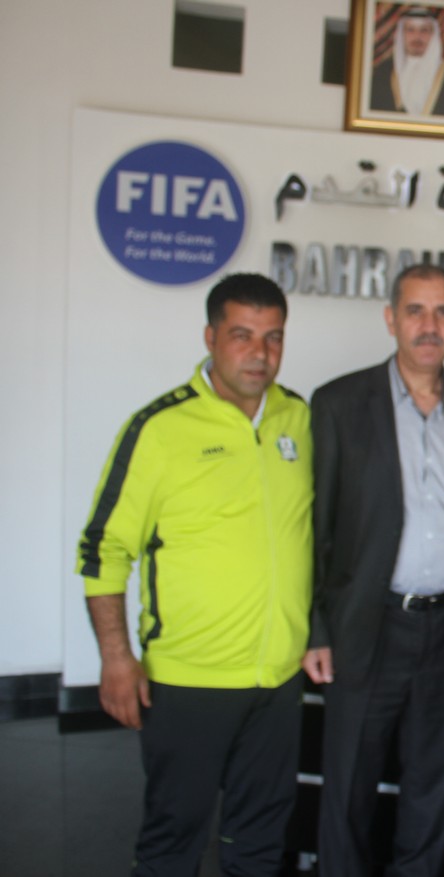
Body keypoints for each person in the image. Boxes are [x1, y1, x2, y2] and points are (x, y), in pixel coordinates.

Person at [77, 273, 312, 877]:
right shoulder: (159, 429)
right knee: (172, 842)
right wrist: (116, 658)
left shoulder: (298, 419)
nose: (259, 353)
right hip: (187, 680)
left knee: (259, 842)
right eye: (242, 335)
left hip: (277, 677)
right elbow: (104, 548)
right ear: (210, 338)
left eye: (273, 337)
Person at [303, 264, 444, 877]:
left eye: (442, 312)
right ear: (391, 319)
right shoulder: (338, 403)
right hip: (367, 624)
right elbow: (314, 529)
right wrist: (317, 628)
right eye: (415, 310)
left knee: (430, 782)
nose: (428, 325)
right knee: (349, 785)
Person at [370, 6, 444, 117]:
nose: (417, 36)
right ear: (402, 34)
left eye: (424, 30)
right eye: (410, 30)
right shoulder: (383, 72)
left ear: (433, 35)